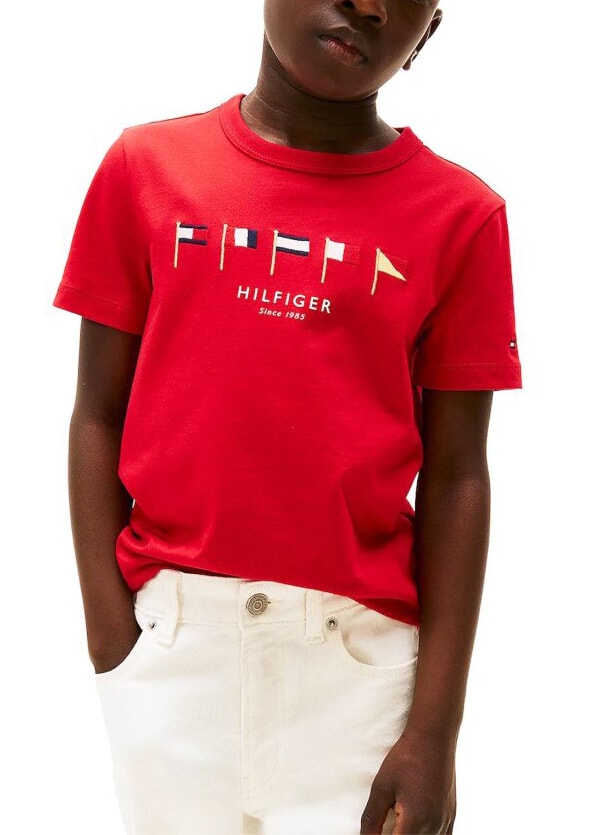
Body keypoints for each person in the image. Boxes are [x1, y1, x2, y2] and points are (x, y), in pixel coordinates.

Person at [51, 1, 522, 833]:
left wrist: (435, 731)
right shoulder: (145, 167)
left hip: (360, 673)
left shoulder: (461, 215)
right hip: (173, 660)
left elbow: (458, 476)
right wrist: (111, 638)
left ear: (427, 34)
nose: (368, 5)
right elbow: (97, 411)